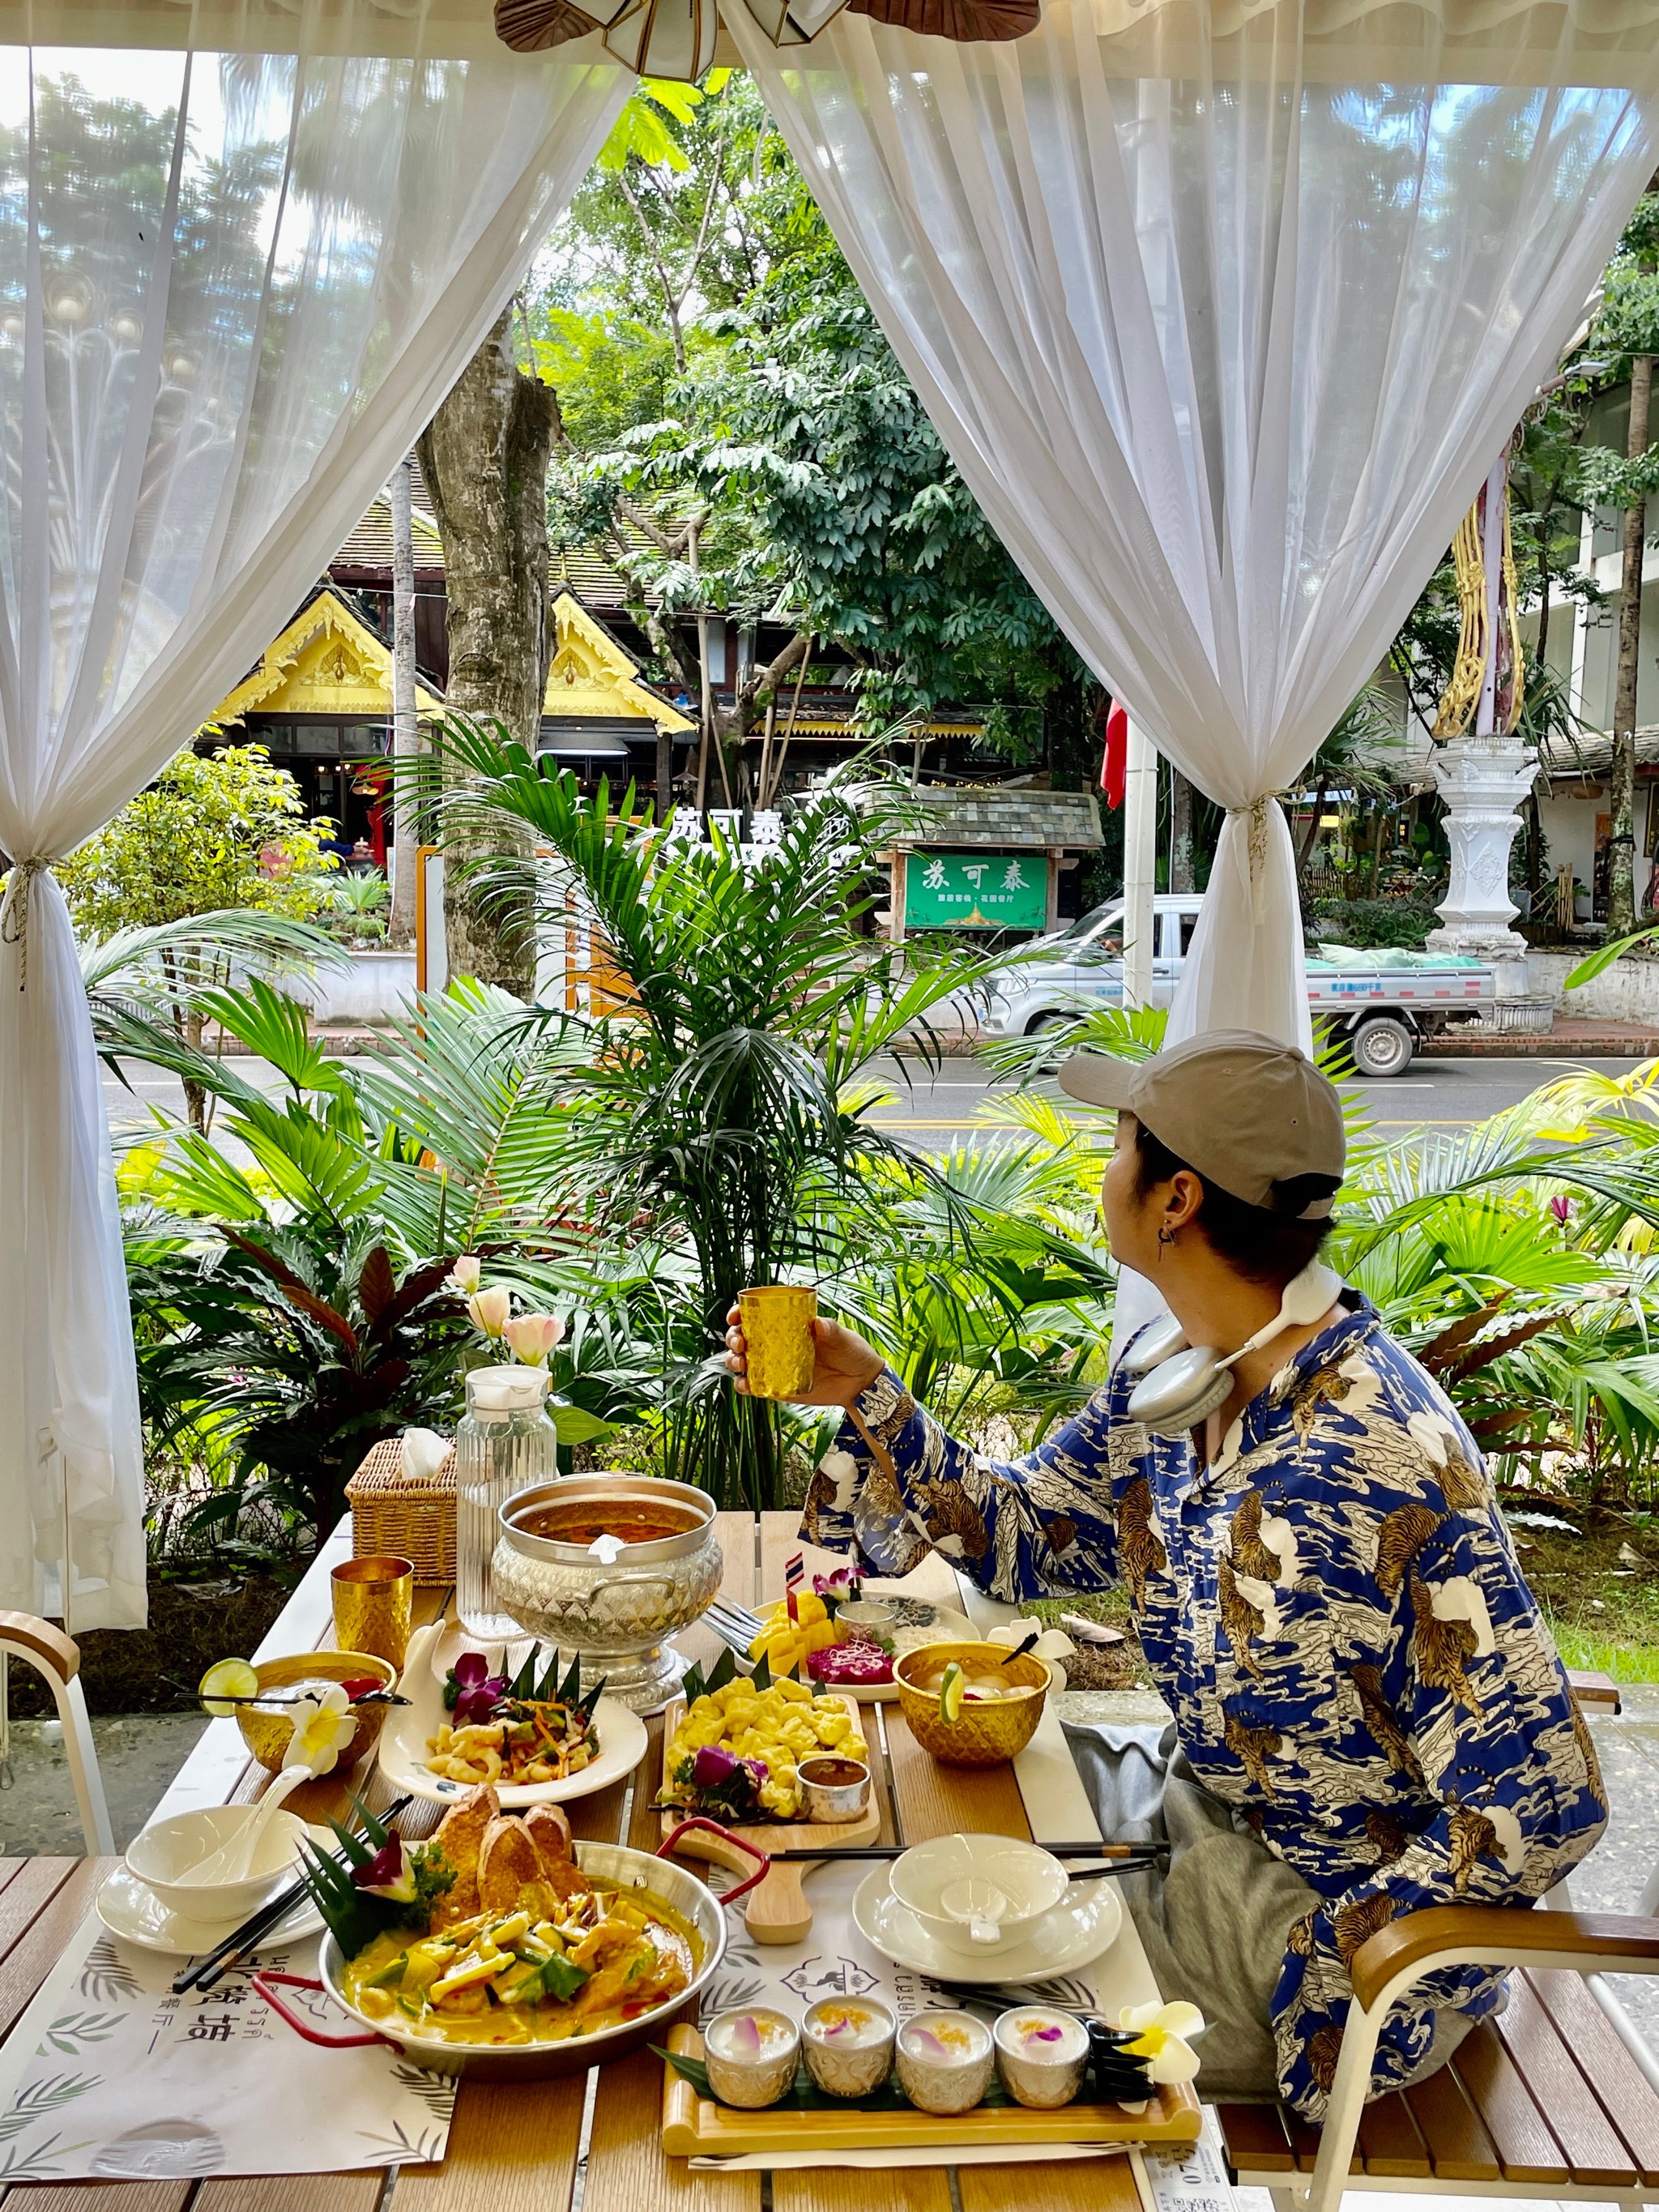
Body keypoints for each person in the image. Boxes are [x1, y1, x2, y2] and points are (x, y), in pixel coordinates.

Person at [724, 1030, 1606, 2120]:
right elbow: (1025, 1532)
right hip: (1185, 1814)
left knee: (930, 2033)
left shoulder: (1378, 1461)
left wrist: (1341, 1970)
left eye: (1121, 1142)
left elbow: (1547, 1797)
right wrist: (868, 1394)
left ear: (1176, 1197)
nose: (1106, 1165)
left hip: (1299, 1927)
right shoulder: (1178, 1375)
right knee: (896, 1883)